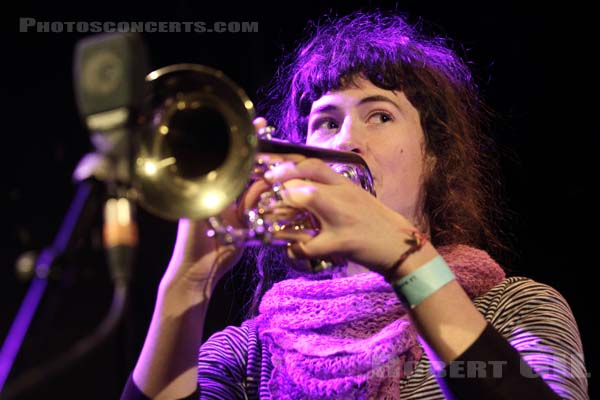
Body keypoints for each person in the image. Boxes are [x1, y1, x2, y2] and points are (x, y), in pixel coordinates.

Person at [121, 10, 589, 400]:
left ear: (434, 160)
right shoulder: (249, 353)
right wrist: (186, 282)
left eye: (380, 115)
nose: (346, 141)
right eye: (325, 122)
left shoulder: (512, 308)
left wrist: (406, 257)